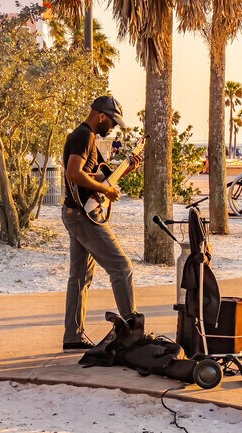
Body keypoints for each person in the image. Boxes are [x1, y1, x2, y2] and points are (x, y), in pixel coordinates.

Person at [61, 95, 141, 350]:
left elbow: (92, 177)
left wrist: (125, 170)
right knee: (121, 267)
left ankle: (73, 337)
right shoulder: (84, 136)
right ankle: (133, 334)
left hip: (78, 214)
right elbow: (73, 174)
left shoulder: (87, 138)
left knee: (80, 278)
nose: (114, 127)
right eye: (113, 121)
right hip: (84, 218)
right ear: (101, 116)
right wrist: (106, 192)